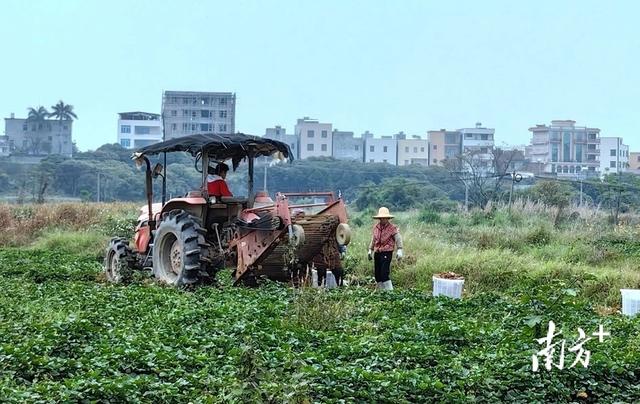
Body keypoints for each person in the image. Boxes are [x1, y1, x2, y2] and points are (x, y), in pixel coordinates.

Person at [367, 207, 403, 290]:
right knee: (377, 275)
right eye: (381, 218)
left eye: (385, 218)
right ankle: (381, 292)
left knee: (384, 274)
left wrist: (400, 249)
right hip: (377, 252)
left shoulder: (392, 228)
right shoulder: (376, 227)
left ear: (388, 218)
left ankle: (390, 292)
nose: (383, 219)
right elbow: (373, 239)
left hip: (387, 252)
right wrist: (370, 250)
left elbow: (398, 238)